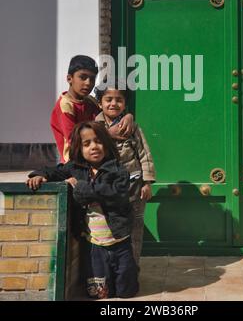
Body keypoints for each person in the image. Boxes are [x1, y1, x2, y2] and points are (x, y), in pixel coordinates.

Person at [26, 121, 139, 300]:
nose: (94, 147)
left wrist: (80, 187)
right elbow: (54, 171)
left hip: (120, 242)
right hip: (94, 245)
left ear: (107, 145)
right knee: (99, 294)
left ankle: (130, 272)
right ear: (79, 148)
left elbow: (112, 193)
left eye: (98, 141)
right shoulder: (75, 168)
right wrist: (39, 175)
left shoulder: (118, 170)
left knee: (127, 292)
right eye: (87, 144)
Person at [94, 80, 156, 265]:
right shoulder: (94, 127)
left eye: (119, 100)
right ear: (100, 103)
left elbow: (144, 155)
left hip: (134, 186)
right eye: (108, 99)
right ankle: (111, 267)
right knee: (107, 227)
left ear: (125, 104)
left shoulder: (132, 127)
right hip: (107, 188)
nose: (113, 103)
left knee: (135, 226)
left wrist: (147, 183)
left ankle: (133, 266)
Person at [50, 55, 133, 164]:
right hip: (75, 163)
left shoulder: (90, 101)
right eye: (83, 77)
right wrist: (107, 134)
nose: (88, 83)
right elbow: (75, 140)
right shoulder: (65, 106)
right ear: (69, 78)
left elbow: (110, 114)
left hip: (96, 160)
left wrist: (128, 116)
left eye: (92, 79)